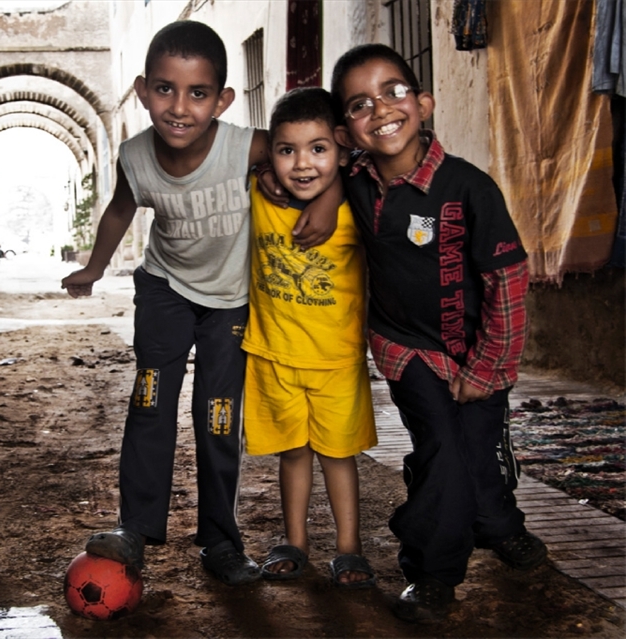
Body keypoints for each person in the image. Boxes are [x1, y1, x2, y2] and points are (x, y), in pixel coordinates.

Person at [61, 20, 340, 586]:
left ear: (223, 99)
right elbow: (121, 208)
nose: (179, 107)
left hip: (231, 302)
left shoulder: (246, 145)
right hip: (164, 290)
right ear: (142, 90)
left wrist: (330, 199)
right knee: (150, 402)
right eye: (165, 89)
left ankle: (220, 540)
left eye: (198, 93)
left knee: (218, 418)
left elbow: (312, 160)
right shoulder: (135, 156)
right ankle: (135, 529)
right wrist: (94, 266)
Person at [330, 43, 547, 622]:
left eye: (394, 92)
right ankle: (432, 574)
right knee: (443, 455)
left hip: (478, 353)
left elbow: (507, 280)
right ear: (347, 130)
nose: (381, 110)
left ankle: (500, 524)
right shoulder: (351, 183)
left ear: (423, 103)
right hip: (408, 350)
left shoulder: (469, 187)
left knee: (481, 457)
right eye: (359, 104)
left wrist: (489, 368)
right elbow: (293, 160)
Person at [243, 87, 377, 588]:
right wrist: (262, 173)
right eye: (287, 150)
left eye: (318, 149)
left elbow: (375, 160)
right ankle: (294, 541)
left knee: (339, 457)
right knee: (293, 453)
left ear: (341, 150)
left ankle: (350, 548)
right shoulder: (260, 193)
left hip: (337, 360)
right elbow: (225, 151)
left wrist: (334, 189)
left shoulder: (354, 209)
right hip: (273, 354)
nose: (302, 164)